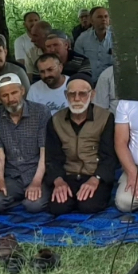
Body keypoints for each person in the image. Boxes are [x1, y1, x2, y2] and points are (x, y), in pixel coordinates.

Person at [45, 75, 117, 215]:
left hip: (95, 176)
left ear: (92, 95)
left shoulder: (105, 118)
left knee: (88, 206)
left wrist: (96, 179)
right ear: (66, 95)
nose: (77, 99)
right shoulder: (56, 120)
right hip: (68, 176)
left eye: (82, 94)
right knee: (58, 208)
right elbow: (52, 157)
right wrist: (58, 181)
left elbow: (109, 156)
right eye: (72, 94)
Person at [0, 74, 52, 213]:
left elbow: (44, 151)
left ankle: (28, 198)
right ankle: (19, 198)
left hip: (37, 174)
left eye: (14, 92)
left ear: (22, 91)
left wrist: (36, 182)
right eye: (5, 95)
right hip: (13, 176)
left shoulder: (41, 112)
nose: (11, 99)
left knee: (33, 206)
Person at [74, 6, 113, 85]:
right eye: (99, 17)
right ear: (91, 21)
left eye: (106, 16)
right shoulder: (82, 39)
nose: (103, 19)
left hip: (110, 82)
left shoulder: (115, 38)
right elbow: (77, 64)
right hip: (89, 82)